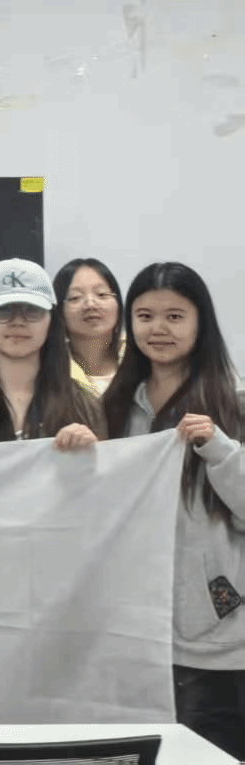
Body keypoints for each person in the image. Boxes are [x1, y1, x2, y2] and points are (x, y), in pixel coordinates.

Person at [102, 263, 245, 759]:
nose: (158, 329)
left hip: (218, 633)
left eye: (175, 316)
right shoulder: (113, 406)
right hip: (133, 627)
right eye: (144, 316)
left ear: (201, 322)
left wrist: (220, 449)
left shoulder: (235, 404)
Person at [0, 258, 102, 447]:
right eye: (3, 311)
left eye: (32, 311)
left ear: (51, 322)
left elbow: (105, 465)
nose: (18, 321)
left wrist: (92, 451)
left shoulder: (85, 406)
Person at [55, 257, 126, 396]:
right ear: (59, 311)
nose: (90, 304)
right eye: (75, 297)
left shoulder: (142, 359)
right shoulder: (49, 369)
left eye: (101, 294)